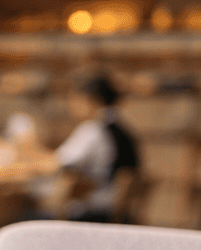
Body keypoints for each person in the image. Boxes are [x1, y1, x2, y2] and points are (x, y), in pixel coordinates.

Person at [52, 75, 139, 222]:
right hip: (114, 211)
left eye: (74, 99)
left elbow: (60, 162)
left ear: (89, 100)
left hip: (93, 213)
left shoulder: (93, 130)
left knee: (25, 215)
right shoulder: (123, 131)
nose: (70, 105)